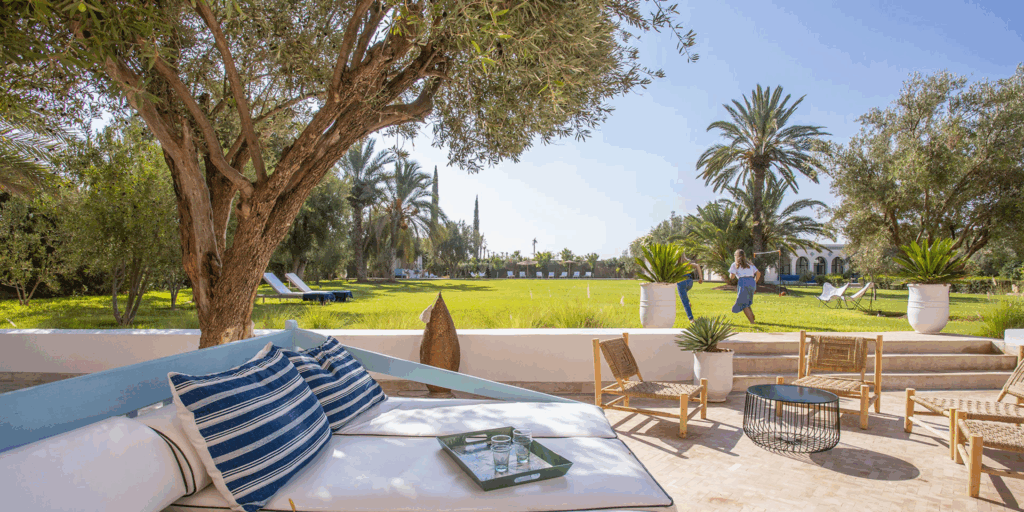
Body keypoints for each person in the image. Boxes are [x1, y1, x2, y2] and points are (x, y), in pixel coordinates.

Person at [729, 249, 761, 324]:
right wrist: (754, 282)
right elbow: (758, 273)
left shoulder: (735, 264)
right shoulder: (750, 264)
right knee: (747, 301)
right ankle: (752, 316)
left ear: (736, 256)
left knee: (743, 303)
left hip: (743, 282)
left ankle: (752, 322)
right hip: (751, 282)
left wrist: (731, 274)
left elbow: (732, 277)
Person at [676, 253, 704, 322]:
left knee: (684, 300)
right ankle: (688, 302)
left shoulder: (676, 265)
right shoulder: (687, 263)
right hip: (689, 282)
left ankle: (691, 319)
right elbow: (697, 266)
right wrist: (700, 278)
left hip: (681, 282)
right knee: (685, 295)